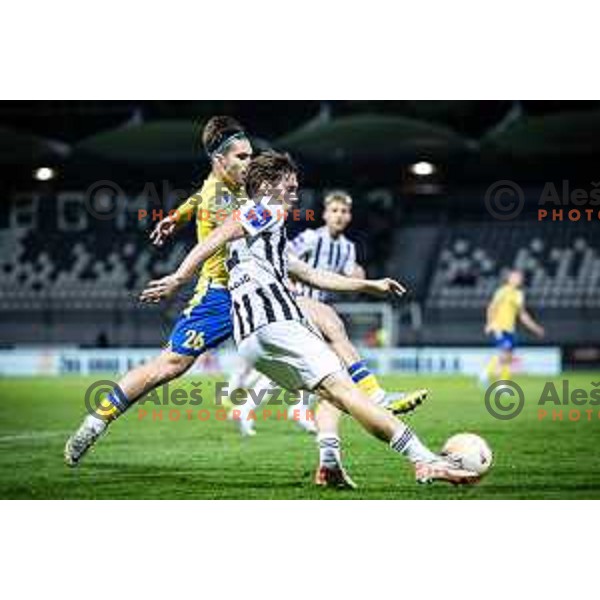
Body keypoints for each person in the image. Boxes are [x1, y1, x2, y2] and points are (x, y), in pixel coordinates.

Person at [141, 151, 479, 486]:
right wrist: (179, 277)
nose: (295, 190)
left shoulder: (265, 237)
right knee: (346, 389)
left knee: (333, 396)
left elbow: (309, 273)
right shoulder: (265, 209)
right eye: (290, 183)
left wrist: (366, 284)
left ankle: (329, 464)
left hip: (250, 341)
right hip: (276, 323)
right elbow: (217, 237)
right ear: (269, 185)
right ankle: (426, 460)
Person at [64, 116, 252, 465]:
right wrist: (179, 277)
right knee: (168, 367)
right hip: (219, 297)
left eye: (249, 155)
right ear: (219, 160)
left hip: (250, 292)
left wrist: (177, 216)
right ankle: (96, 421)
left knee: (317, 331)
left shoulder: (223, 184)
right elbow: (217, 228)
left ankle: (348, 417)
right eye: (241, 157)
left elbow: (198, 197)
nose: (249, 162)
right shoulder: (220, 197)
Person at [479, 269, 545, 386]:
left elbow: (523, 315)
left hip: (510, 329)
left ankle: (502, 384)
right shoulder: (502, 291)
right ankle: (485, 374)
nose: (518, 279)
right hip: (499, 327)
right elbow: (491, 307)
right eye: (515, 277)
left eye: (519, 278)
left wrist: (535, 328)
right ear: (509, 279)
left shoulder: (519, 295)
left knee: (508, 357)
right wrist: (489, 323)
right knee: (504, 353)